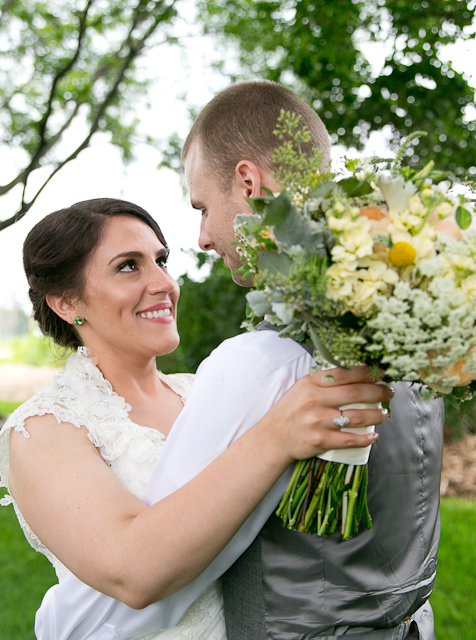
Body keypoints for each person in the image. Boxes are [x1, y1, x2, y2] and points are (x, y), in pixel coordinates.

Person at [0, 198, 393, 640]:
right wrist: (276, 438)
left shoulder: (203, 392)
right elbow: (129, 575)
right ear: (66, 302)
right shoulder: (45, 429)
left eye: (161, 261)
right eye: (128, 266)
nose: (163, 283)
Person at [144, 81, 445, 639]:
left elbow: (151, 566)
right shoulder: (414, 311)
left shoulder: (260, 360)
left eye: (203, 207)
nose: (204, 236)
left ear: (249, 183)